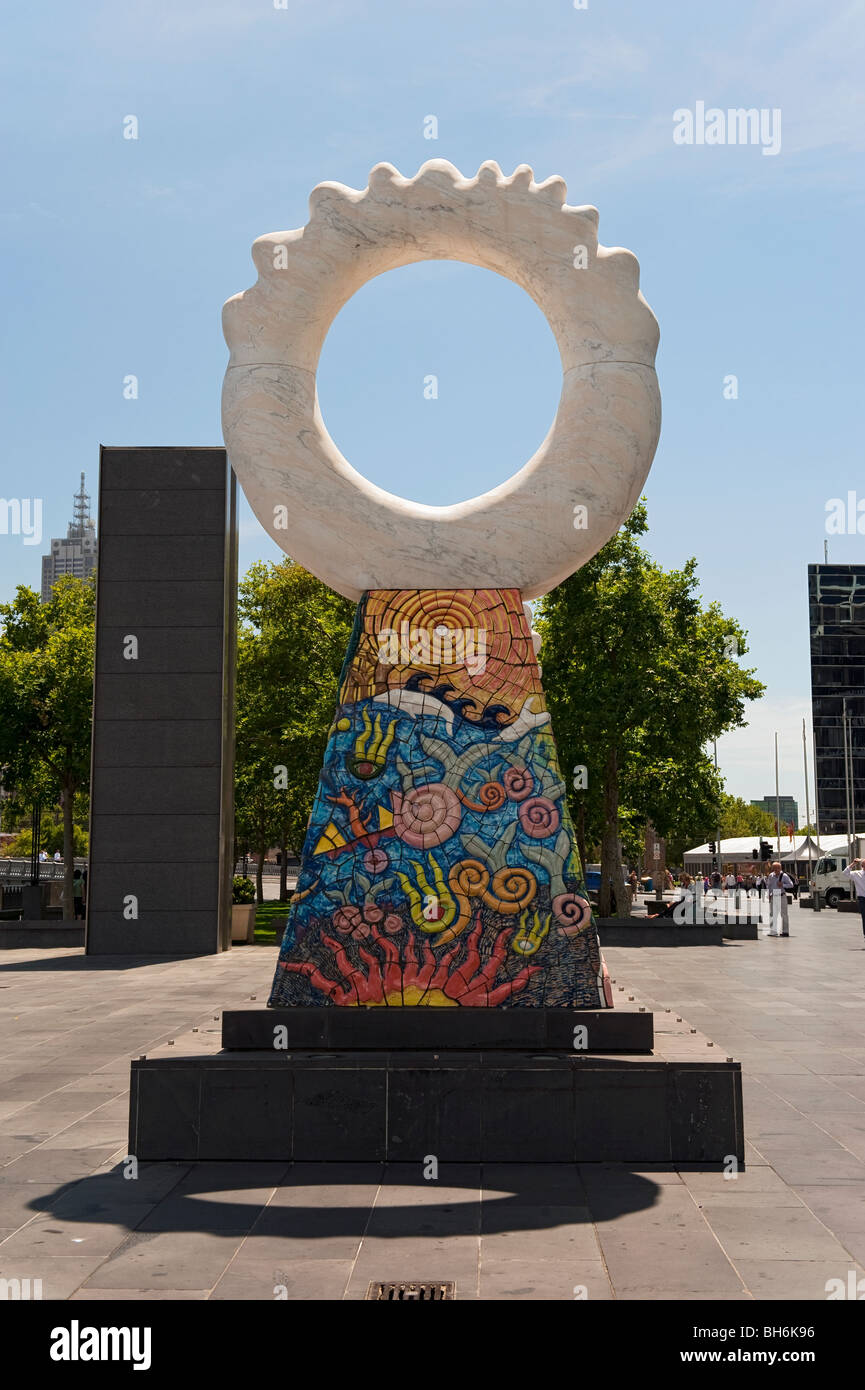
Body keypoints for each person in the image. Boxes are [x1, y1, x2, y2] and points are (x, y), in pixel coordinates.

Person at [766, 860, 794, 937]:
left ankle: (785, 931)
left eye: (777, 868)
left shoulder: (784, 876)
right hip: (773, 896)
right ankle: (773, 931)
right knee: (772, 914)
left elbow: (791, 885)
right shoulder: (771, 876)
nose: (776, 870)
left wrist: (783, 885)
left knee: (784, 914)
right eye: (774, 868)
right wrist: (769, 894)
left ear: (780, 868)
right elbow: (769, 886)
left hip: (782, 896)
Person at [842, 858, 865, 939]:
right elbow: (845, 873)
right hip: (863, 899)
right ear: (862, 866)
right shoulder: (857, 874)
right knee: (864, 918)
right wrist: (853, 863)